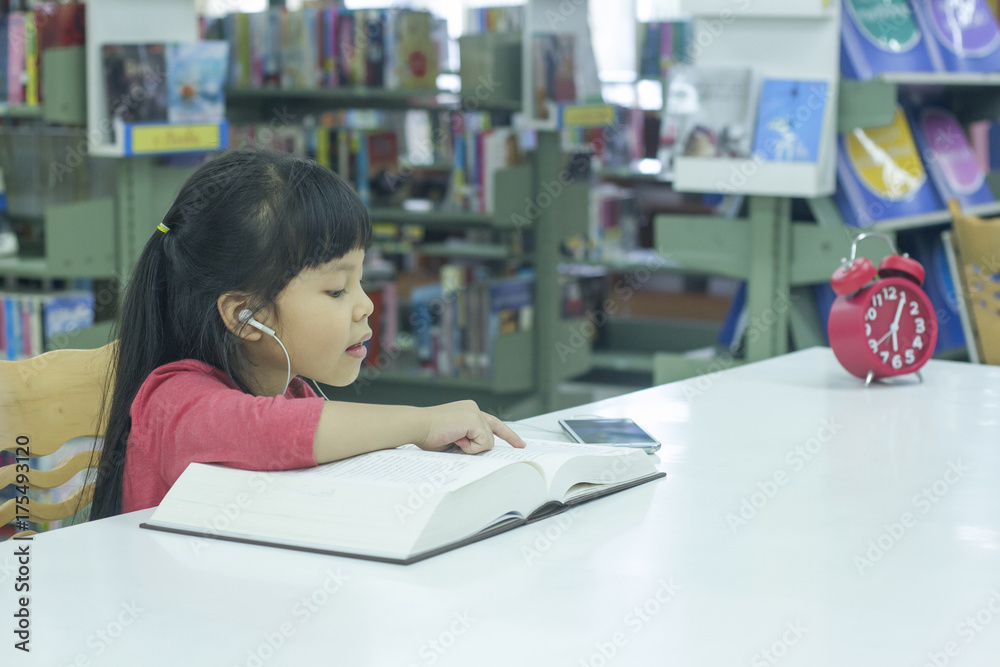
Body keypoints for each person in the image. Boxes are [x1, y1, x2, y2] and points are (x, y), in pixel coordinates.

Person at [88, 149, 525, 520]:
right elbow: (268, 433)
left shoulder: (294, 392)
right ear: (246, 315)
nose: (366, 305)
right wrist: (424, 423)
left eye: (360, 280)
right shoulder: (173, 402)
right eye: (337, 289)